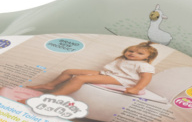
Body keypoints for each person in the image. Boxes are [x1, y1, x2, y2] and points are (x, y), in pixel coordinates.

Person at [29, 41, 158, 96]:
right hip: (108, 74)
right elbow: (109, 71)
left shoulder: (144, 65)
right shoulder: (122, 59)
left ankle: (53, 96)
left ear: (148, 57)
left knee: (80, 78)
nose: (133, 54)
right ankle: (50, 85)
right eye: (131, 51)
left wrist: (136, 88)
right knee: (69, 71)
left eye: (139, 53)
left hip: (123, 79)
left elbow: (146, 78)